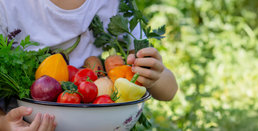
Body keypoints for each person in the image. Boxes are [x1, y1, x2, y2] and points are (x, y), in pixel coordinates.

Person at [0, 0, 178, 130]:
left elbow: (169, 91)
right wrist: (5, 125)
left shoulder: (116, 4)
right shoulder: (8, 6)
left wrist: (155, 76)